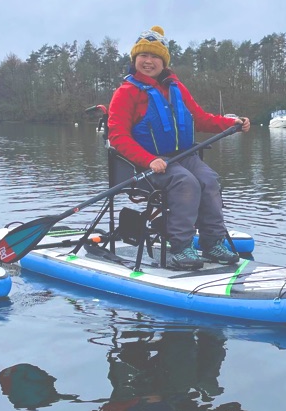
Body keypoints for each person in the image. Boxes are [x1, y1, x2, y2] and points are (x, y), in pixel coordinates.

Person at [107, 25, 251, 271]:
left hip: (183, 157)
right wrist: (149, 159)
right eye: (143, 55)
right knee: (186, 183)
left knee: (209, 180)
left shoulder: (177, 88)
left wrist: (232, 124)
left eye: (154, 56)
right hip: (147, 165)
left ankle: (212, 242)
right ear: (134, 59)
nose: (148, 61)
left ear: (164, 62)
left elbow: (201, 118)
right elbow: (117, 137)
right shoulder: (126, 93)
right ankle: (180, 248)